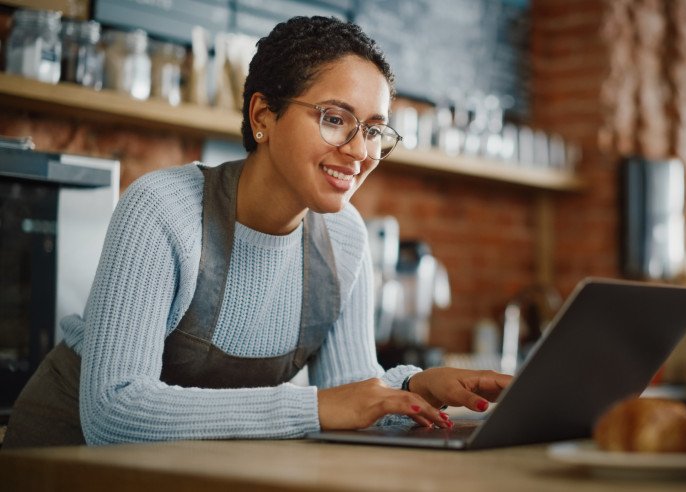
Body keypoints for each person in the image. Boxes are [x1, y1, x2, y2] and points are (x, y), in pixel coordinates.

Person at [3, 16, 511, 448]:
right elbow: (114, 415)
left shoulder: (346, 237)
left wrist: (422, 388)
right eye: (336, 119)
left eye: (375, 130)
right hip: (59, 464)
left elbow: (349, 395)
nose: (360, 151)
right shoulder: (162, 210)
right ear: (263, 115)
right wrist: (313, 408)